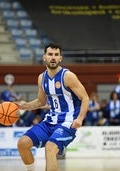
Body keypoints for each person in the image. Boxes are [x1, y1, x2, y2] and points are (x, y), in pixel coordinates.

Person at [16, 43, 89, 171]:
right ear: (44, 57)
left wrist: (80, 118)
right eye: (50, 54)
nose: (53, 57)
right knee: (22, 144)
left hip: (67, 123)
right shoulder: (41, 78)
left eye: (56, 55)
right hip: (50, 121)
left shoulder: (68, 76)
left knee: (50, 147)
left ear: (60, 58)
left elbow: (85, 98)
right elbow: (41, 101)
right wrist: (23, 106)